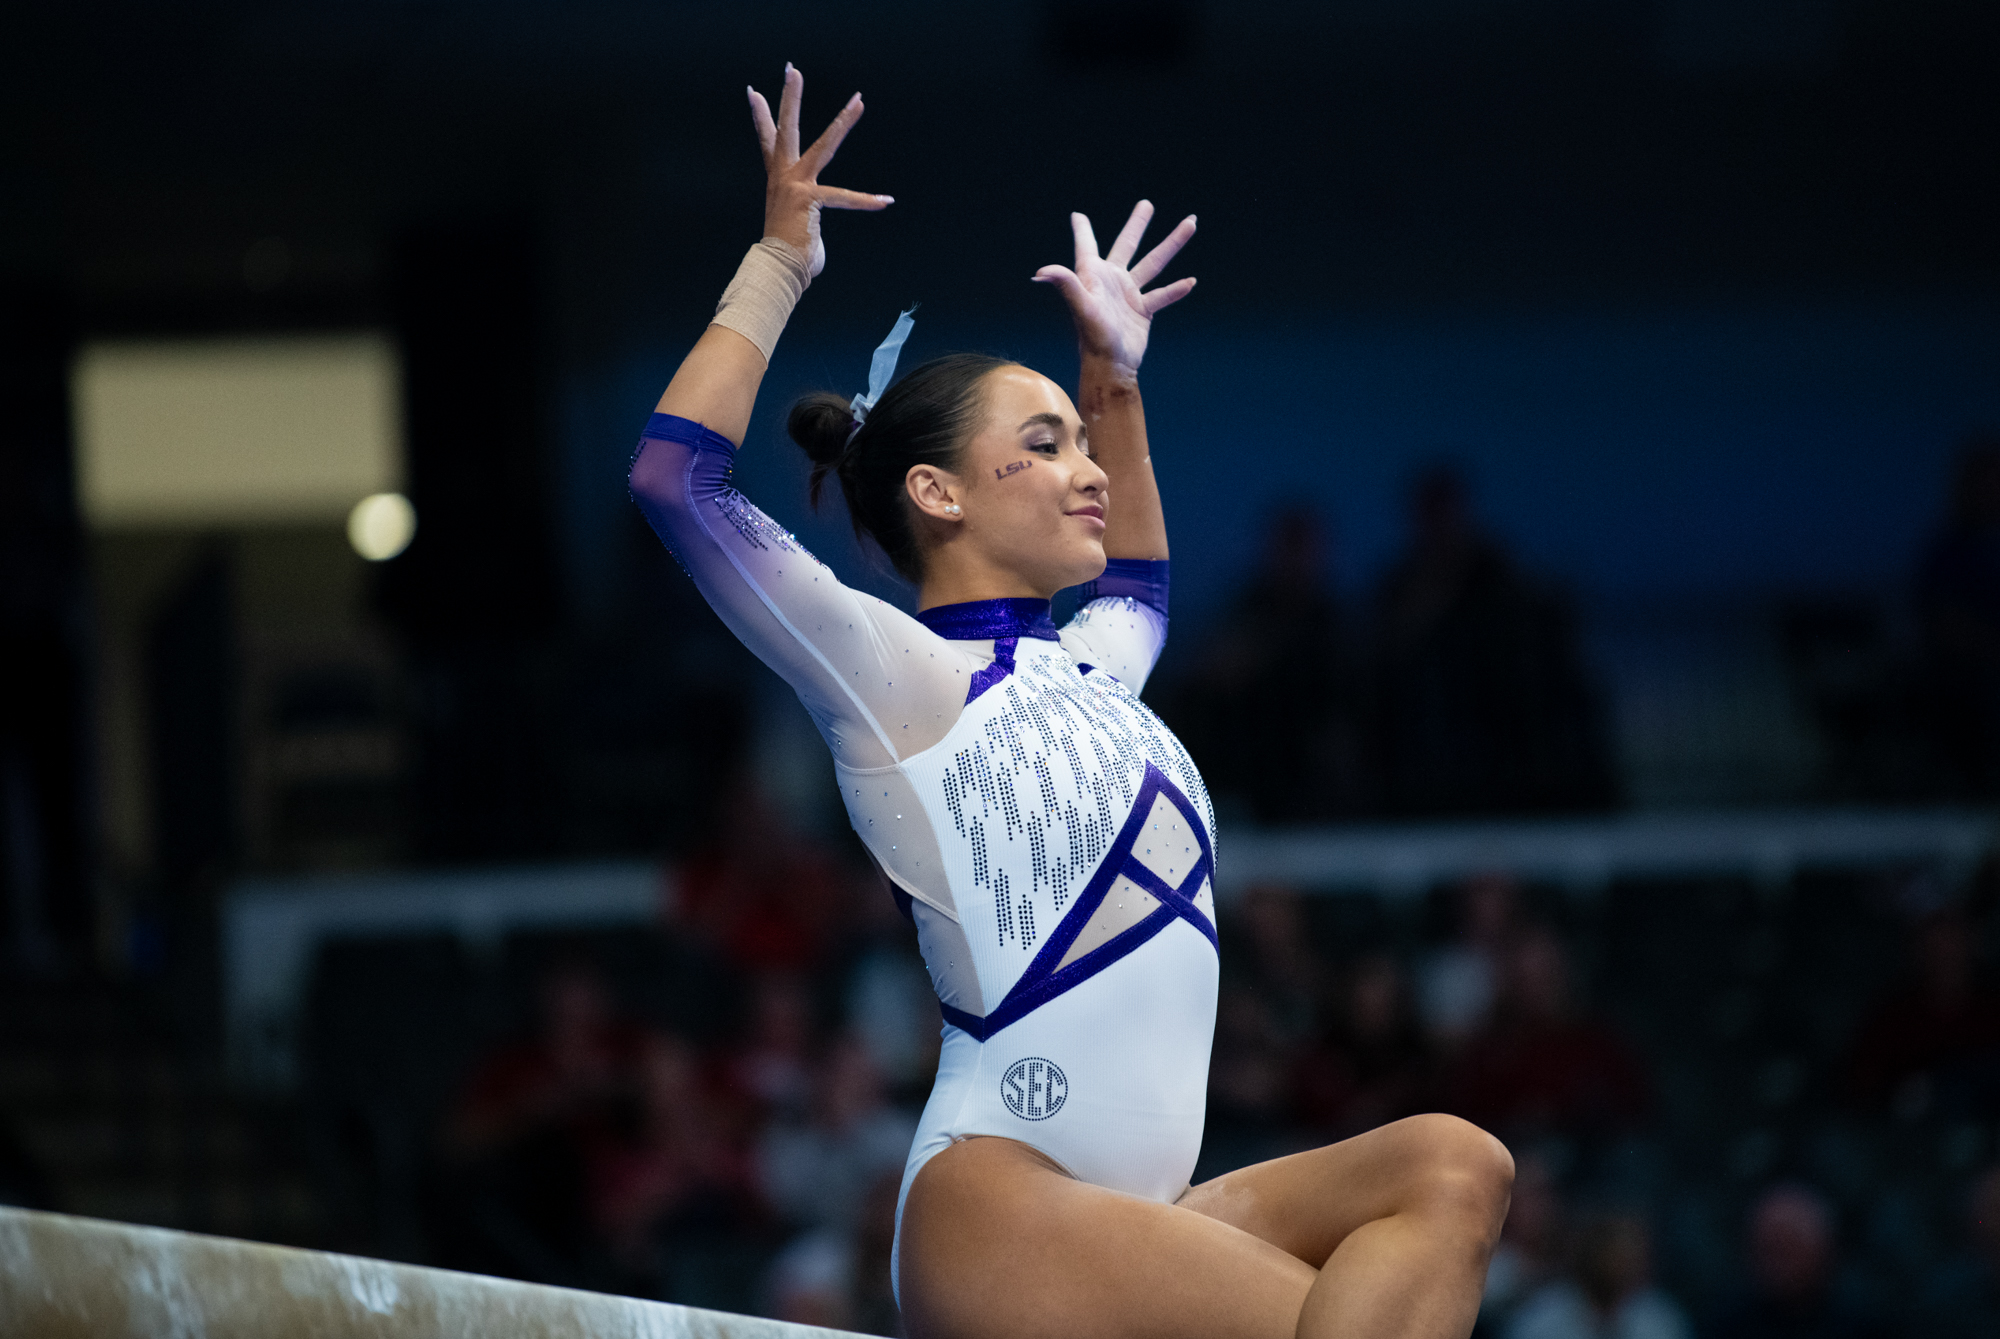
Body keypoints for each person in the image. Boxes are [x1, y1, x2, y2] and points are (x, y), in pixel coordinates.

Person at [627, 65, 1514, 1339]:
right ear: (936, 494)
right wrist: (778, 260)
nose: (1087, 469)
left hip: (1139, 1219)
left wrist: (1111, 370)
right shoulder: (899, 678)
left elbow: (1142, 576)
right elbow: (676, 480)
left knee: (1454, 1162)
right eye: (1042, 446)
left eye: (1080, 445)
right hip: (1004, 1207)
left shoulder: (1095, 662)